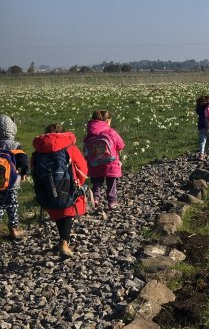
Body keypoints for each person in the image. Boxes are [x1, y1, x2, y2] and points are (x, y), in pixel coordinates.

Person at [32, 124, 88, 258]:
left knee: (58, 213)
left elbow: (34, 172)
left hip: (47, 191)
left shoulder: (38, 152)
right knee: (67, 212)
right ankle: (64, 242)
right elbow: (82, 168)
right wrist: (79, 183)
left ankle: (62, 240)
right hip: (67, 188)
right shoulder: (70, 148)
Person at [84, 110, 125, 210]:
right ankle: (112, 201)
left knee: (96, 182)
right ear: (107, 121)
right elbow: (121, 145)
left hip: (94, 164)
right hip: (110, 163)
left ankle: (95, 198)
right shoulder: (111, 132)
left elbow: (85, 149)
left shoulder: (89, 134)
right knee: (111, 183)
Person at [0, 115, 29, 240]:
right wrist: (23, 174)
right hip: (12, 182)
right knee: (13, 205)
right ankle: (13, 229)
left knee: (0, 205)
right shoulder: (15, 145)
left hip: (0, 181)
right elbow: (23, 162)